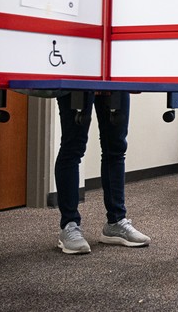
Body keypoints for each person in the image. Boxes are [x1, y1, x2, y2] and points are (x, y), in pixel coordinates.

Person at [55, 91, 151, 254]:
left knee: (116, 147)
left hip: (114, 76)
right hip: (76, 75)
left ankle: (116, 222)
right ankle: (69, 225)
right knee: (73, 147)